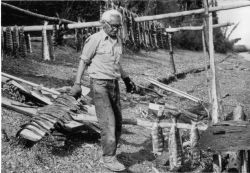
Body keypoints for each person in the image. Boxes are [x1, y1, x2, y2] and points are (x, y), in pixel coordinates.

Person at [70, 9, 137, 172]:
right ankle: (108, 158)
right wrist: (77, 83)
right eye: (113, 26)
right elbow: (83, 61)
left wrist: (127, 79)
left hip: (114, 84)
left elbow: (117, 64)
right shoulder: (95, 39)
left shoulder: (117, 40)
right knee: (108, 122)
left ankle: (111, 151)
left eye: (118, 26)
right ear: (104, 24)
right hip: (99, 84)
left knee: (118, 120)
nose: (116, 29)